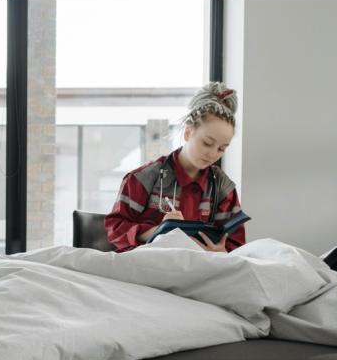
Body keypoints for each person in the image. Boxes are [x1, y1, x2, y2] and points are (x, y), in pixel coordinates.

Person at [105, 81, 246, 252]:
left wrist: (221, 252)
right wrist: (158, 231)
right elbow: (115, 227)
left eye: (222, 148)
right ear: (188, 132)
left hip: (201, 270)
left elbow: (237, 245)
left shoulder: (224, 189)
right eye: (207, 143)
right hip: (148, 268)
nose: (213, 154)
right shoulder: (143, 179)